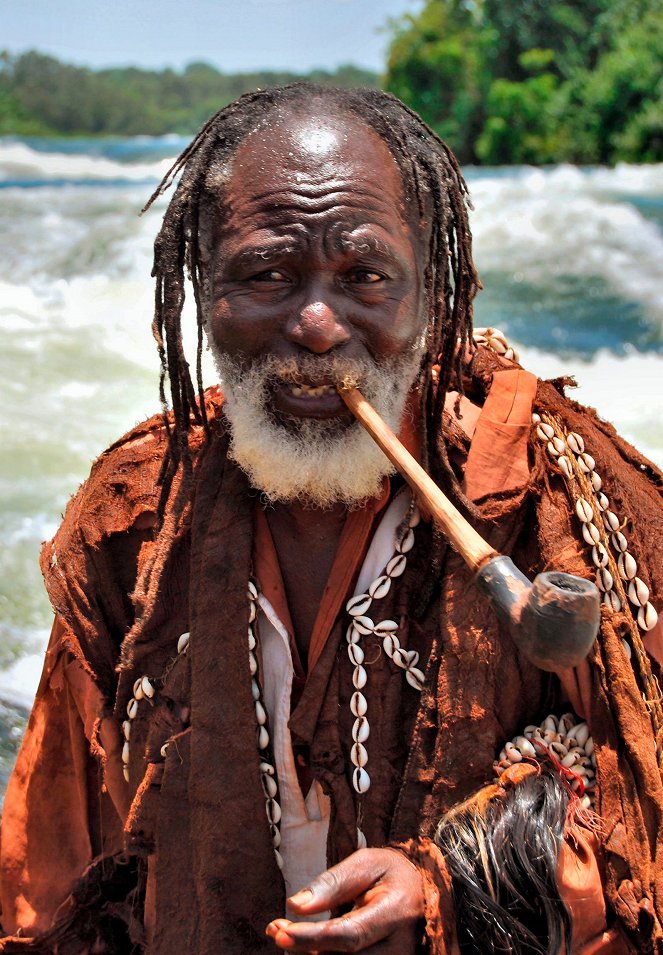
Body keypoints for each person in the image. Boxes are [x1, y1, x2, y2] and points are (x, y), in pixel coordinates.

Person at [0, 84, 661, 955]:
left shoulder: (553, 500)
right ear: (205, 289)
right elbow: (47, 869)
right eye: (267, 273)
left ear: (427, 295)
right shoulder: (135, 521)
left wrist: (454, 885)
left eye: (365, 277)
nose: (316, 324)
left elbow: (641, 810)